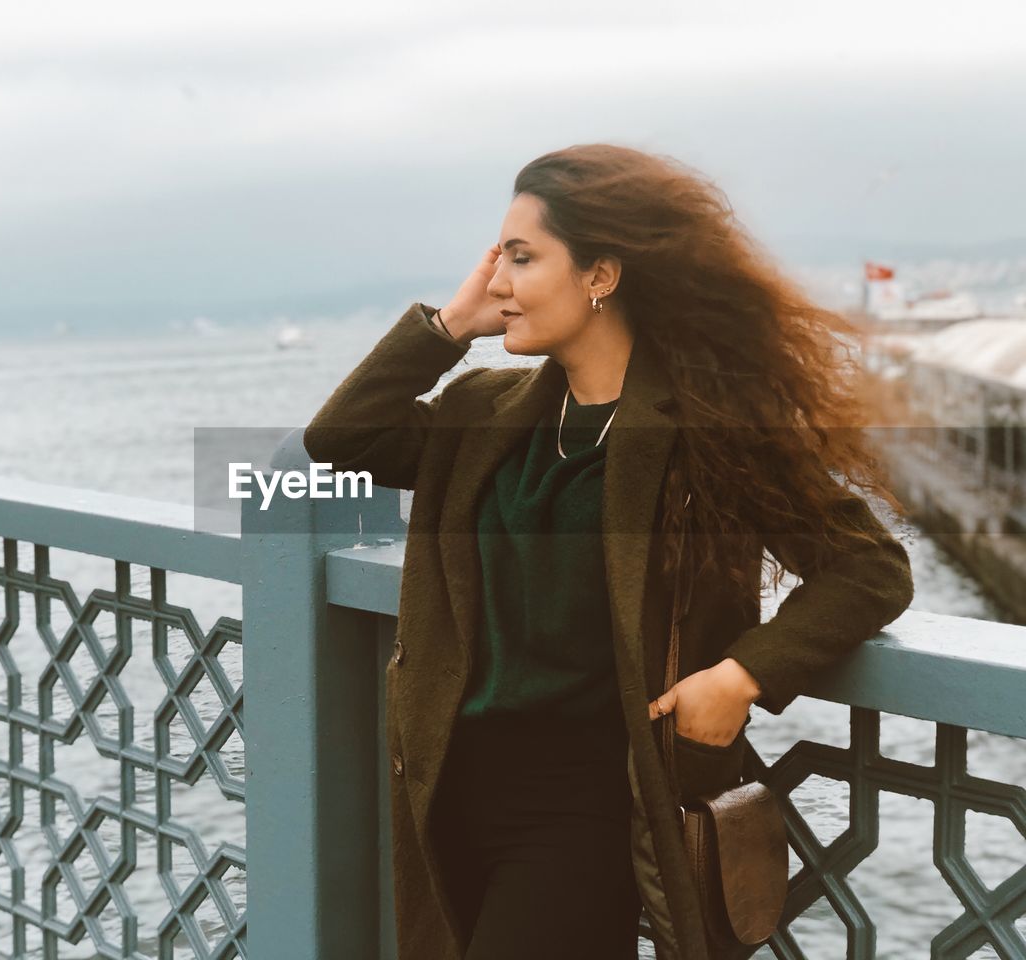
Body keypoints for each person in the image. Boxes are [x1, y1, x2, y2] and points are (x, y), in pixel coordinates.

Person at [302, 143, 914, 960]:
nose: (497, 282)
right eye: (497, 259)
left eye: (522, 258)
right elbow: (343, 436)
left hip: (589, 807)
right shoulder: (484, 414)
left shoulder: (702, 430)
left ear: (601, 274)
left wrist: (743, 674)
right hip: (450, 792)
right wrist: (448, 328)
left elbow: (868, 565)